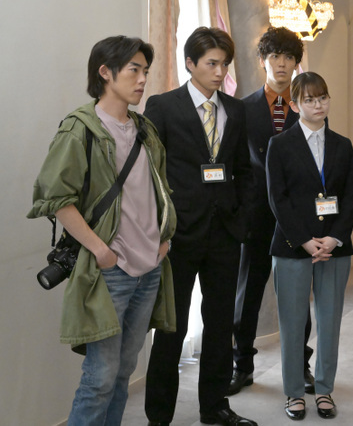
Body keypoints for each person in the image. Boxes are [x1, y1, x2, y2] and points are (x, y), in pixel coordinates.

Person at [28, 36, 176, 425]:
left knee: (124, 372)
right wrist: (99, 250)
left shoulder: (145, 129)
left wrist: (164, 239)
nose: (143, 79)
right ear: (105, 72)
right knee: (100, 378)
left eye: (145, 71)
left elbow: (159, 189)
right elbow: (57, 199)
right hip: (110, 272)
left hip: (149, 268)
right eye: (134, 70)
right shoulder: (80, 129)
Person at [144, 27, 257, 426]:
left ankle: (215, 407)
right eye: (211, 63)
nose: (219, 71)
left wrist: (241, 218)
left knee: (221, 323)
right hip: (179, 234)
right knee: (171, 327)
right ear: (190, 63)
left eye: (224, 64)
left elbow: (243, 170)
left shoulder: (235, 109)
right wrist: (161, 227)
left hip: (225, 232)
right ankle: (159, 416)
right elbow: (149, 172)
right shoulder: (163, 106)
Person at [266, 72, 353, 420]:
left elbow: (351, 197)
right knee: (292, 324)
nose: (318, 105)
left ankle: (324, 390)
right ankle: (294, 393)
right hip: (293, 246)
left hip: (335, 247)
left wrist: (334, 238)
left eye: (322, 97)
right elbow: (278, 199)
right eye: (309, 99)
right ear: (295, 105)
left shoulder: (343, 145)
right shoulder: (280, 145)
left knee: (330, 322)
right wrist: (305, 241)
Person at [230, 26, 315, 396]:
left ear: (296, 63)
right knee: (247, 293)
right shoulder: (242, 109)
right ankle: (241, 365)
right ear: (262, 60)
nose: (282, 64)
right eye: (275, 56)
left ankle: (301, 365)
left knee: (296, 295)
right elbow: (234, 164)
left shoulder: (308, 106)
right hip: (255, 216)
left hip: (295, 218)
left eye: (289, 57)